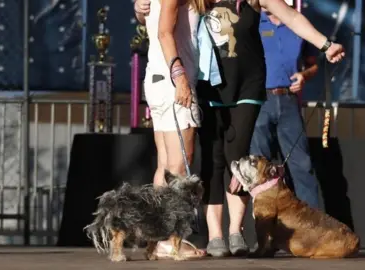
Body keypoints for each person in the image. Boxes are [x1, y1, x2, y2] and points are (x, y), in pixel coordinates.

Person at [196, 0, 344, 257]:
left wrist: (326, 44)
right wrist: (141, 10)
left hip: (248, 84)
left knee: (239, 156)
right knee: (214, 158)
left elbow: (292, 17)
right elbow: (166, 12)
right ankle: (215, 235)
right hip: (211, 83)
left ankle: (235, 231)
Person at [134, 0, 208, 259]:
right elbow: (164, 31)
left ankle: (158, 237)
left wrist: (138, 11)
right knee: (179, 166)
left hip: (157, 78)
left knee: (164, 166)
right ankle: (169, 240)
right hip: (171, 82)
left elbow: (149, 20)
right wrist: (180, 78)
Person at [250, 7, 320, 209]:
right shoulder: (253, 22)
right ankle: (265, 229)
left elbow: (313, 64)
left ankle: (311, 228)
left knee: (301, 165)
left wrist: (304, 76)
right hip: (259, 100)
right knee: (259, 166)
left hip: (289, 101)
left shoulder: (298, 23)